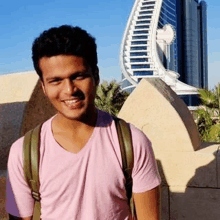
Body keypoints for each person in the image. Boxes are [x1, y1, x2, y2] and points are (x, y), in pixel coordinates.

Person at [6, 25, 161, 220]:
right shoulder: (24, 152)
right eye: (56, 81)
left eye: (78, 76)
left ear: (95, 75)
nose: (69, 90)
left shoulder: (132, 142)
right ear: (43, 87)